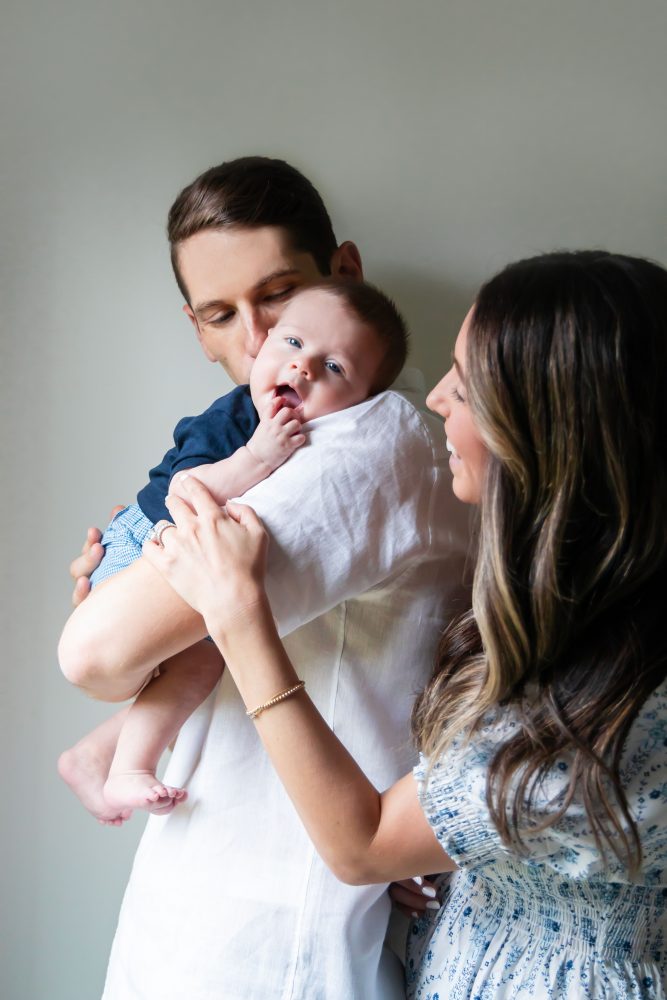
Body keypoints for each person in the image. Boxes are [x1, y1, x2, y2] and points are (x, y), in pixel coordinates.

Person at [142, 250, 667, 999]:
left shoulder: (623, 687)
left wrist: (238, 612)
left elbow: (361, 846)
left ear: (560, 430)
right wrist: (462, 854)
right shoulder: (556, 606)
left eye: (472, 381)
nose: (439, 397)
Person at [62, 156, 470, 999]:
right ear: (196, 327)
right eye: (220, 314)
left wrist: (122, 627)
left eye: (277, 298)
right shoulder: (263, 441)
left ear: (343, 276)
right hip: (212, 897)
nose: (256, 342)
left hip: (265, 936)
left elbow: (92, 658)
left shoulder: (366, 440)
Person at [59, 279, 409, 822]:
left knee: (204, 665)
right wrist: (257, 456)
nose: (303, 369)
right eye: (292, 344)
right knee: (201, 664)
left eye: (334, 368)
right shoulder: (240, 418)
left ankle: (95, 754)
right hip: (145, 538)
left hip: (161, 545)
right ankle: (123, 766)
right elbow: (185, 491)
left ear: (362, 404)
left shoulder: (354, 438)